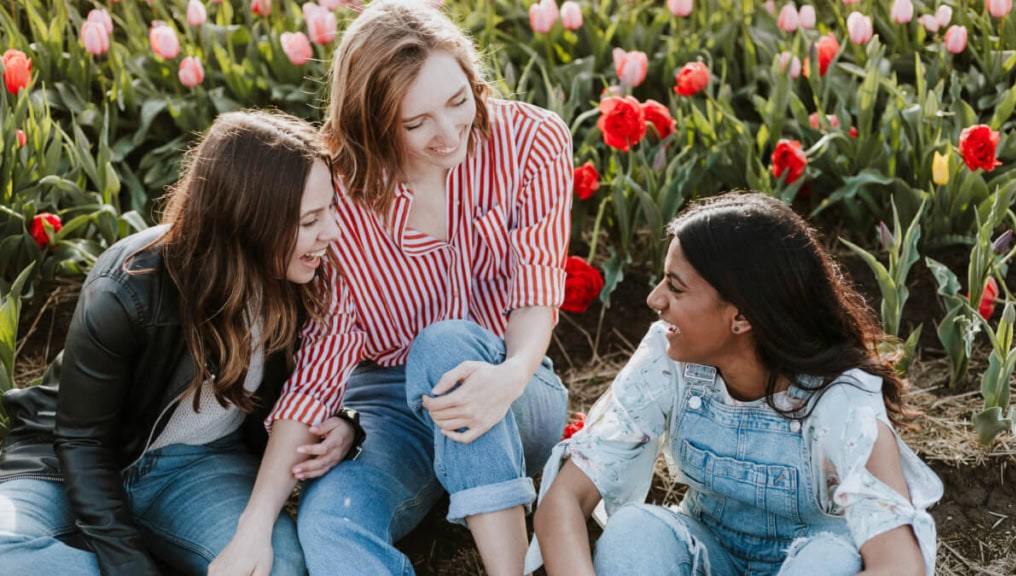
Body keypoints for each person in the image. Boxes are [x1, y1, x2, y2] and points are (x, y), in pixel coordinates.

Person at [212, 2, 573, 575]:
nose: (450, 132)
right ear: (372, 122)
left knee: (446, 344)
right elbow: (320, 366)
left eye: (459, 101)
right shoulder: (343, 197)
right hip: (394, 406)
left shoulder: (530, 141)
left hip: (513, 388)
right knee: (331, 522)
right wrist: (255, 526)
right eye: (416, 122)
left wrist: (509, 376)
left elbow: (537, 286)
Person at [0, 110, 354, 576]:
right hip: (66, 464)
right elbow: (82, 442)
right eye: (311, 220)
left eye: (330, 209)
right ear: (249, 221)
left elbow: (326, 378)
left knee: (279, 566)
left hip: (198, 468)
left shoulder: (307, 280)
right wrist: (130, 567)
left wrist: (346, 424)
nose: (332, 231)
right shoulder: (128, 288)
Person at [532, 192, 944, 576]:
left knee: (828, 561)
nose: (654, 299)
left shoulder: (841, 400)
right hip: (709, 554)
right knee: (633, 534)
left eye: (675, 287)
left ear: (742, 317)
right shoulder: (669, 359)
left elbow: (899, 565)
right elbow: (564, 501)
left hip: (811, 560)